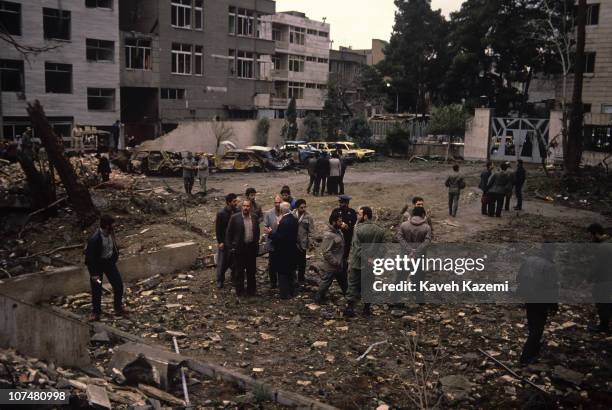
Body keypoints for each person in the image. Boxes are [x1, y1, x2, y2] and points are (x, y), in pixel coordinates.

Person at [516, 243, 559, 365]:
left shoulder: (529, 260)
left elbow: (518, 278)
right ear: (552, 252)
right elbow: (552, 289)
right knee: (537, 330)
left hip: (528, 298)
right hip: (541, 301)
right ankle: (526, 358)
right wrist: (554, 305)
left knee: (533, 326)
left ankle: (534, 351)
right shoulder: (550, 266)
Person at [344, 206, 386, 317]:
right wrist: (374, 259)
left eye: (359, 214)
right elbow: (383, 249)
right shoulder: (380, 230)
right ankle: (366, 310)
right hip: (371, 265)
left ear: (365, 216)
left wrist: (367, 258)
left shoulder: (358, 229)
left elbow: (357, 248)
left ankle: (350, 308)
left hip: (358, 263)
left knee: (353, 284)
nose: (357, 216)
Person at [85, 215, 126, 321]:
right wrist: (94, 274)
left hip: (109, 265)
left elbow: (114, 247)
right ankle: (96, 312)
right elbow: (90, 259)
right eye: (112, 224)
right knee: (97, 288)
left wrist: (114, 257)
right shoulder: (95, 239)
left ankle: (118, 308)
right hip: (97, 268)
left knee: (118, 285)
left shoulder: (111, 233)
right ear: (107, 226)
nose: (115, 226)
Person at [397, 206, 432, 303]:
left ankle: (395, 299)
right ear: (423, 215)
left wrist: (410, 250)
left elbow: (400, 238)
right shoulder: (426, 227)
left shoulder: (404, 225)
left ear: (412, 214)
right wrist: (416, 251)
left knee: (401, 277)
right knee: (419, 278)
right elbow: (427, 241)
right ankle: (419, 299)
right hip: (419, 257)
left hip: (405, 256)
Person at [226, 200, 260, 297]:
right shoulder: (235, 218)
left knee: (251, 271)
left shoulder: (254, 217)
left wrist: (256, 246)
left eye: (248, 206)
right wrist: (231, 248)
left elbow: (257, 232)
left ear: (250, 207)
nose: (246, 208)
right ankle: (240, 291)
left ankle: (251, 291)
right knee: (239, 271)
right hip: (239, 249)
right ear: (241, 207)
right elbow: (229, 234)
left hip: (251, 248)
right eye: (244, 206)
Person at [269, 202, 299, 299]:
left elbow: (281, 237)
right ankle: (292, 292)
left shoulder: (284, 222)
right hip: (292, 250)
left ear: (282, 210)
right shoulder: (294, 219)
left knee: (282, 274)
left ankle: (284, 294)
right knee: (290, 272)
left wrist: (271, 233)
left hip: (283, 251)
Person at [315, 212, 346, 304]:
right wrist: (335, 262)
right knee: (325, 283)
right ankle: (318, 299)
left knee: (344, 282)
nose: (341, 223)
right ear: (333, 222)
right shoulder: (329, 235)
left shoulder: (338, 231)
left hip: (339, 264)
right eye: (339, 221)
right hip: (332, 266)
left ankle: (348, 297)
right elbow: (326, 252)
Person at [586, 223, 612, 334]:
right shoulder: (609, 241)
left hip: (604, 278)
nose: (590, 239)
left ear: (596, 234)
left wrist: (589, 278)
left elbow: (597, 266)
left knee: (602, 300)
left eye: (591, 236)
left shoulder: (603, 247)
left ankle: (604, 326)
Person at [215, 193, 238, 288]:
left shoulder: (237, 211)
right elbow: (218, 229)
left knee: (234, 261)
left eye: (236, 201)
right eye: (234, 201)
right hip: (224, 242)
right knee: (222, 262)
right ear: (229, 202)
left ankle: (234, 278)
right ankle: (220, 280)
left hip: (234, 242)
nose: (236, 203)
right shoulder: (221, 213)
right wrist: (220, 242)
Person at [332, 195, 358, 279]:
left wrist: (348, 226)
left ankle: (343, 272)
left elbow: (354, 223)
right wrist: (341, 225)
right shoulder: (336, 211)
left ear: (347, 203)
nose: (340, 204)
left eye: (342, 202)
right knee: (336, 253)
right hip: (337, 236)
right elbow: (331, 220)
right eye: (340, 202)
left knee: (345, 255)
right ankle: (336, 271)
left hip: (347, 237)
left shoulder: (352, 212)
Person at [293, 199, 315, 285]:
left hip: (303, 243)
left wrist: (311, 243)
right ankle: (293, 279)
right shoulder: (292, 214)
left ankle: (301, 279)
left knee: (302, 262)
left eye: (305, 207)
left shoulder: (308, 217)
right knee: (293, 262)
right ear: (297, 208)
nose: (303, 209)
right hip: (293, 243)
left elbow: (311, 231)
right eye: (301, 207)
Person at [264, 196, 283, 289]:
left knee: (281, 263)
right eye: (275, 203)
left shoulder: (286, 212)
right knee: (272, 264)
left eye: (279, 202)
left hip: (282, 243)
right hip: (272, 242)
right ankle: (273, 282)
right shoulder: (269, 214)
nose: (277, 204)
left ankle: (282, 282)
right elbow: (266, 227)